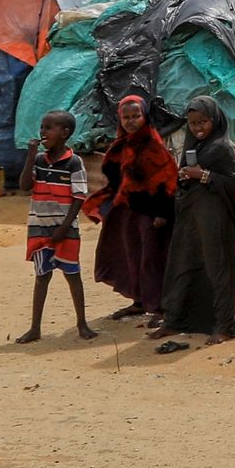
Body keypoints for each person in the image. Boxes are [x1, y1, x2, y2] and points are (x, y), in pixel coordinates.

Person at [148, 96, 235, 348]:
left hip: (216, 219)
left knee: (219, 269)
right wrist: (185, 176)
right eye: (193, 123)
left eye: (203, 122)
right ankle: (176, 319)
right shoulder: (193, 146)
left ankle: (224, 325)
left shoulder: (223, 148)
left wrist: (204, 175)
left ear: (215, 120)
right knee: (182, 265)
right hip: (190, 219)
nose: (198, 128)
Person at [87, 96, 177, 325]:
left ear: (145, 116)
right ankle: (139, 301)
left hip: (150, 213)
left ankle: (158, 305)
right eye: (126, 117)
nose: (131, 121)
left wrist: (162, 213)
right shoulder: (121, 144)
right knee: (130, 255)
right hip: (127, 211)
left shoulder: (152, 144)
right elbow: (114, 176)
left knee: (151, 258)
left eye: (136, 116)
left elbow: (167, 180)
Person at [16, 111, 97, 344]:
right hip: (40, 228)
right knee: (42, 277)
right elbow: (24, 186)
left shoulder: (74, 162)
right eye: (42, 127)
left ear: (65, 133)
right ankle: (35, 328)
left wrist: (64, 227)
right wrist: (31, 156)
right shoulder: (39, 160)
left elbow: (79, 196)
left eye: (48, 128)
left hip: (65, 230)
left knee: (73, 275)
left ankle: (82, 323)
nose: (43, 132)